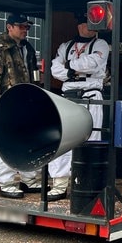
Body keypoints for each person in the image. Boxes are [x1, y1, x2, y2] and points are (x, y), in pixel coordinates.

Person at [0, 13, 44, 199]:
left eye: (27, 27)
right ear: (10, 27)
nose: (25, 30)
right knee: (5, 145)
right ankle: (6, 183)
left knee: (29, 141)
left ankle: (29, 179)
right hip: (5, 105)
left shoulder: (28, 48)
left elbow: (35, 77)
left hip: (26, 104)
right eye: (22, 26)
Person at [49, 12, 110, 200]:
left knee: (91, 138)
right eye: (85, 24)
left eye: (92, 24)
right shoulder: (65, 46)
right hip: (69, 96)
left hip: (91, 94)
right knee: (63, 138)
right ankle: (59, 184)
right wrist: (72, 70)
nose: (89, 27)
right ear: (79, 26)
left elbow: (92, 64)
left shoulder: (100, 44)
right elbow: (54, 69)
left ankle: (88, 180)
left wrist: (68, 67)